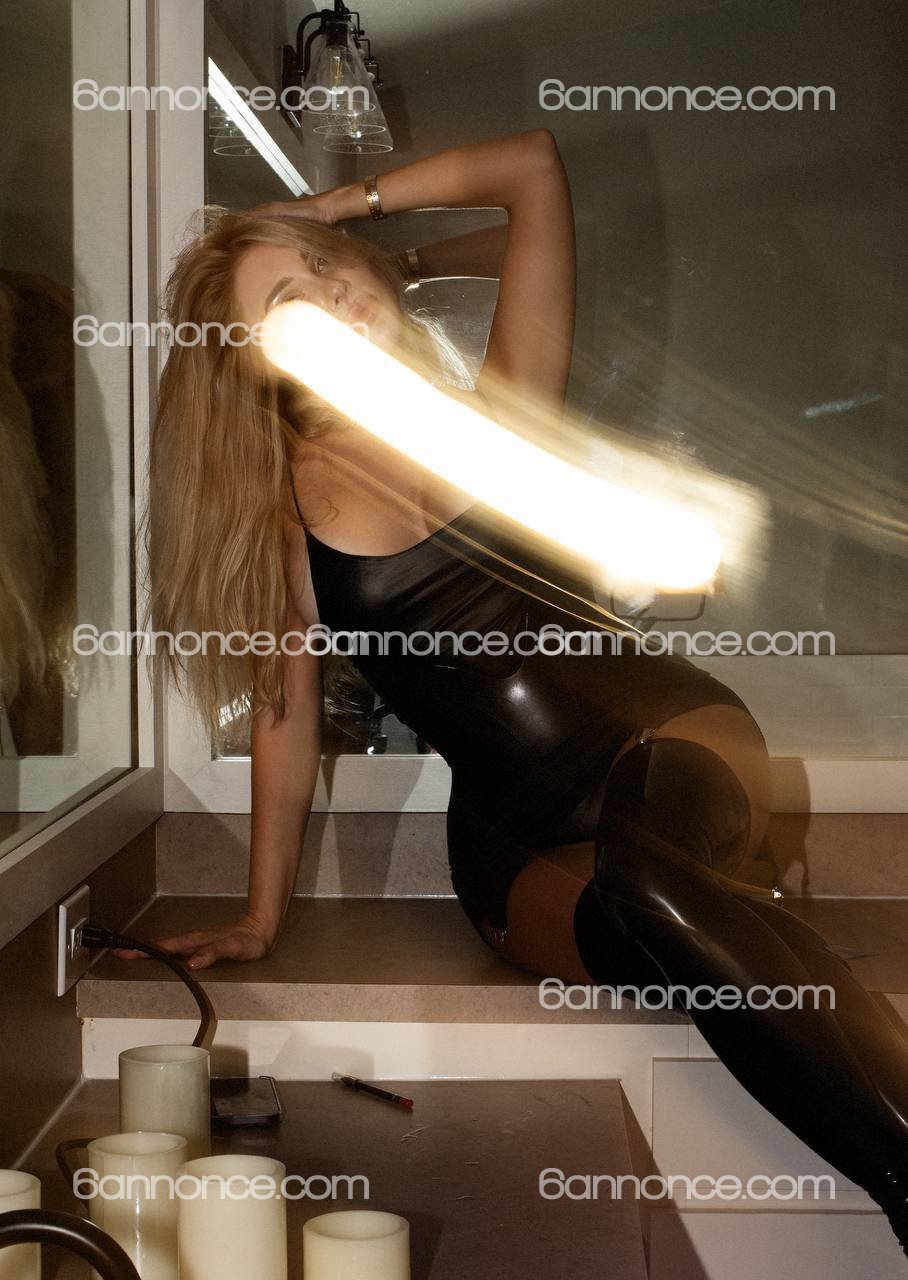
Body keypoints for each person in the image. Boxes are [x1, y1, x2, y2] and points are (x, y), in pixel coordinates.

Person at [136, 130, 908, 1256]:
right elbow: (282, 714)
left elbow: (532, 169)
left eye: (326, 268)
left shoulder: (504, 401)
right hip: (515, 847)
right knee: (653, 913)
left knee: (658, 877)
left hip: (666, 735)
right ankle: (760, 930)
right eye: (291, 305)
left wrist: (338, 208)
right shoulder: (282, 516)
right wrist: (261, 917)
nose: (333, 293)